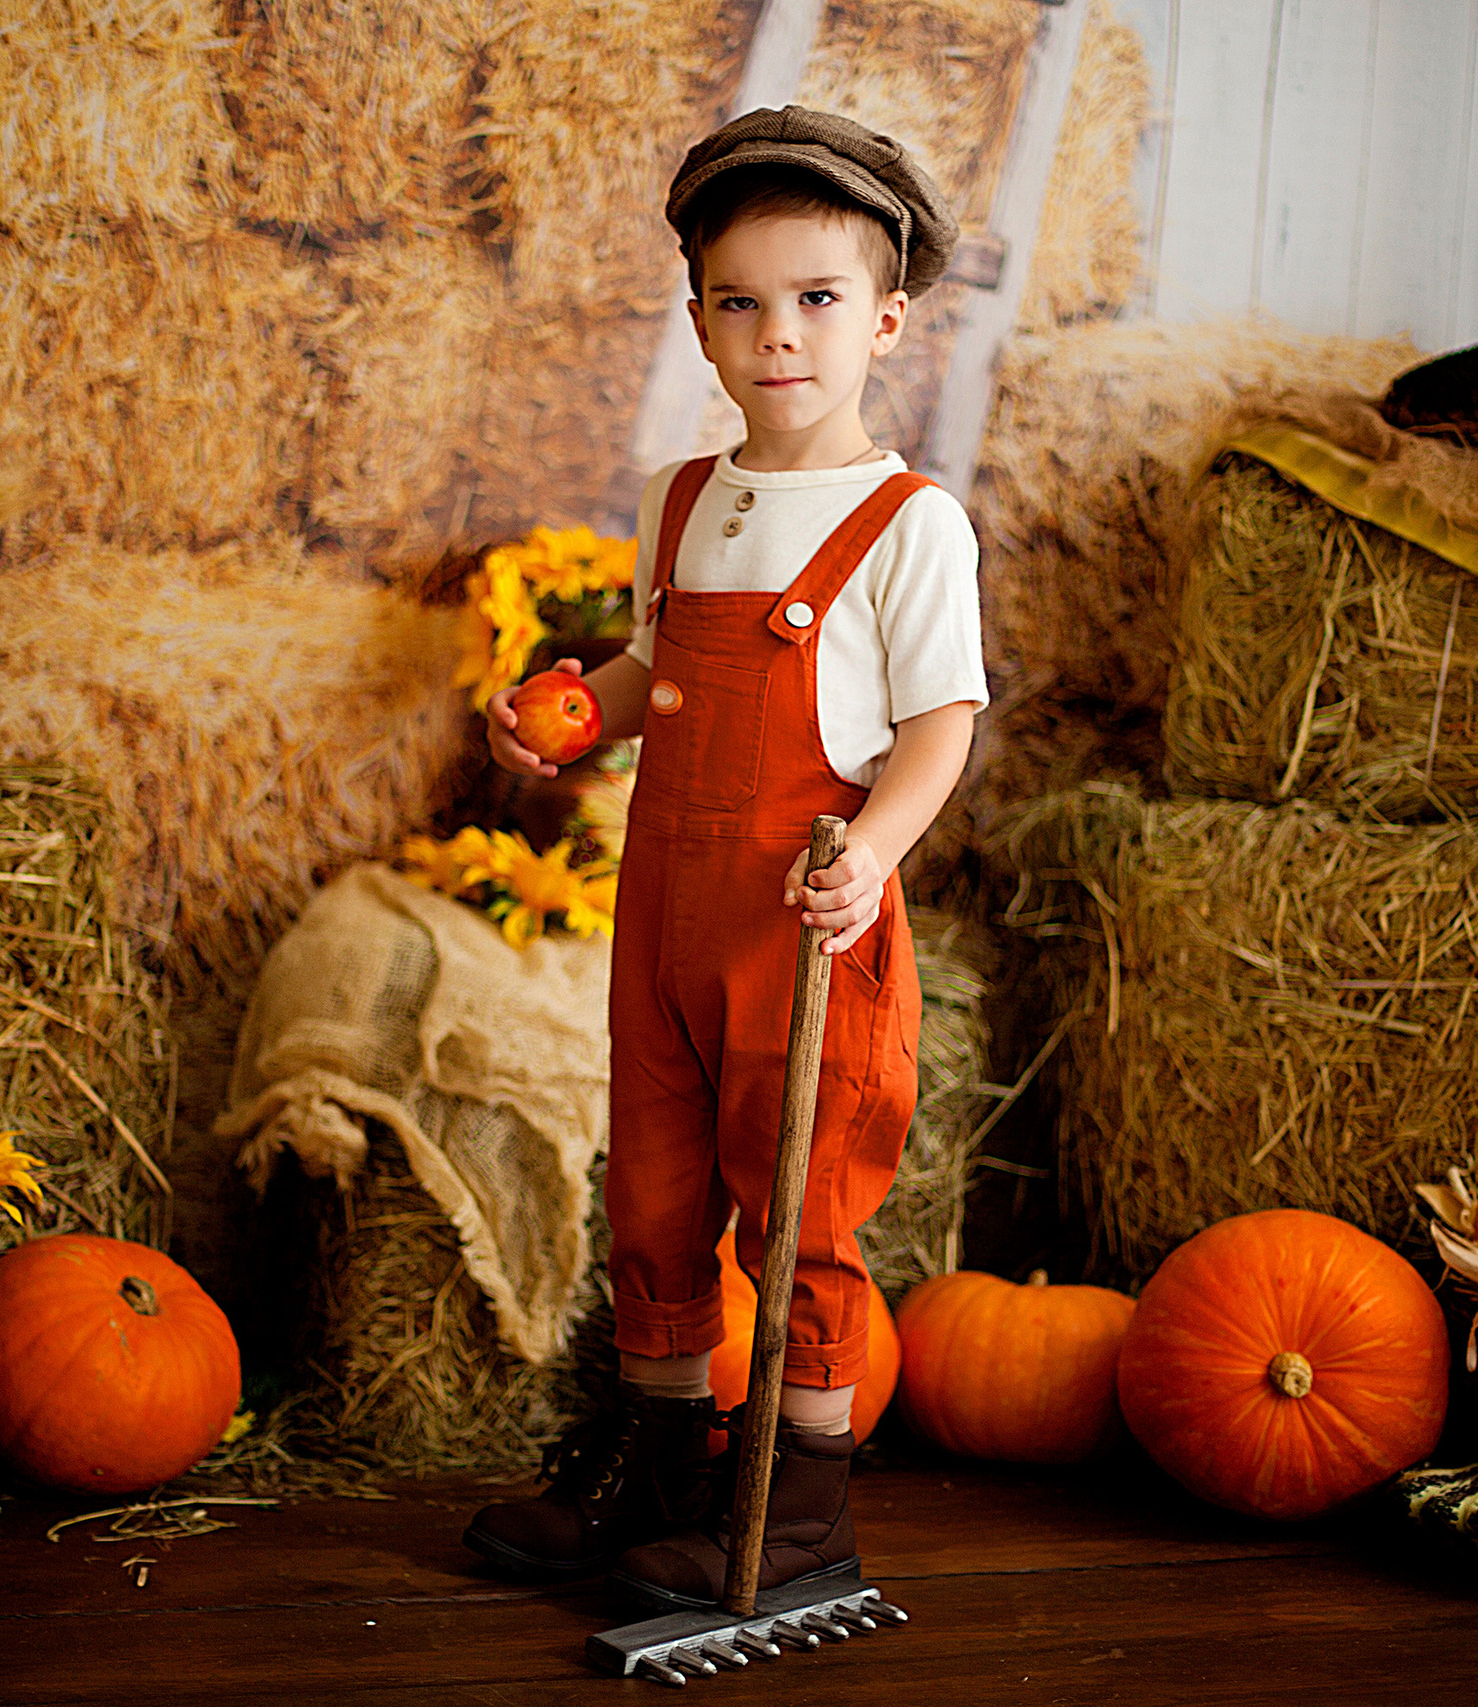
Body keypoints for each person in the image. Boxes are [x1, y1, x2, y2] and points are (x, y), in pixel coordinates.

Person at [462, 106, 985, 1614]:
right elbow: (645, 669)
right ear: (698, 319)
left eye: (819, 300)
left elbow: (941, 728)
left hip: (802, 924)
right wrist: (565, 724)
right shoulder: (682, 501)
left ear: (885, 317)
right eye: (741, 300)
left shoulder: (907, 525)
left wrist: (873, 854)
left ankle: (803, 1510)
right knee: (659, 1190)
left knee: (800, 1211)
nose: (780, 334)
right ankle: (657, 1470)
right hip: (667, 926)